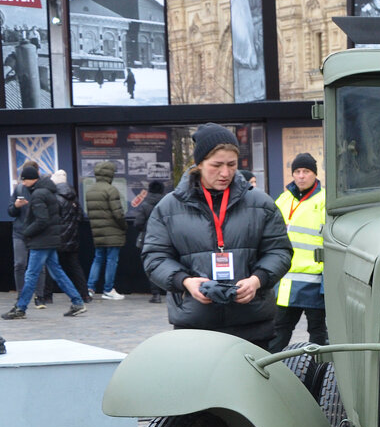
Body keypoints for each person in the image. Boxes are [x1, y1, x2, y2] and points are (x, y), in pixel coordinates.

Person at [141, 123, 292, 348]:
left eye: (232, 164)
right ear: (199, 164)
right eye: (216, 165)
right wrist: (186, 282)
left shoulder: (261, 203)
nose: (225, 173)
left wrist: (257, 280)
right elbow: (155, 258)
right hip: (195, 324)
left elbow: (279, 251)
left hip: (253, 325)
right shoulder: (169, 207)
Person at [2, 165, 87, 319]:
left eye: (24, 179)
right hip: (50, 239)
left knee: (31, 274)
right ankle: (77, 301)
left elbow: (41, 220)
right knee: (57, 272)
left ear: (30, 179)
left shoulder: (38, 195)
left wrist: (27, 233)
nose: (23, 183)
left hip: (41, 241)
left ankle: (20, 308)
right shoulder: (49, 192)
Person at [270, 153, 327, 352]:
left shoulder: (324, 200)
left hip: (315, 281)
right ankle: (269, 371)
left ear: (314, 174)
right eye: (297, 172)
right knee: (279, 331)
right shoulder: (283, 200)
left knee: (318, 334)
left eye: (306, 171)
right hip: (287, 281)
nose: (301, 176)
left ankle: (319, 374)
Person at [85, 160, 128, 300]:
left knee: (97, 259)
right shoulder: (111, 190)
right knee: (111, 260)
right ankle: (108, 289)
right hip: (113, 232)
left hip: (97, 232)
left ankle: (90, 288)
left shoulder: (90, 190)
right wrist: (124, 226)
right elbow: (118, 213)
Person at [9, 162, 48, 308]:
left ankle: (40, 296)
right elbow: (11, 211)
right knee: (20, 264)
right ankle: (21, 296)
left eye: (26, 178)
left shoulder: (42, 190)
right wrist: (16, 206)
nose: (24, 181)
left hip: (37, 232)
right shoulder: (19, 188)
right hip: (20, 232)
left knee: (40, 265)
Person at [50, 169, 90, 303]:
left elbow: (52, 218)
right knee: (75, 267)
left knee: (52, 266)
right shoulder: (73, 197)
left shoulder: (54, 197)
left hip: (57, 238)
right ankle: (85, 294)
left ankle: (46, 296)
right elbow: (80, 216)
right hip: (72, 238)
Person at [127, 180, 166, 302]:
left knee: (151, 265)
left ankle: (156, 294)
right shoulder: (166, 203)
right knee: (167, 264)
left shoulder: (145, 205)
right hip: (166, 238)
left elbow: (138, 223)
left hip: (148, 239)